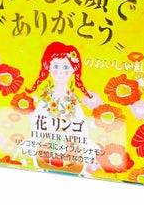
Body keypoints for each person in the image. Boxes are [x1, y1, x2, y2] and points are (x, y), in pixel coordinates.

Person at [25, 41, 95, 174]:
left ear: (74, 69)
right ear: (48, 67)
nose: (61, 72)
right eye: (56, 66)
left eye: (66, 67)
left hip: (71, 149)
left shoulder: (74, 103)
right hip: (46, 147)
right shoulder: (45, 101)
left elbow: (82, 131)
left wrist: (70, 135)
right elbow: (36, 128)